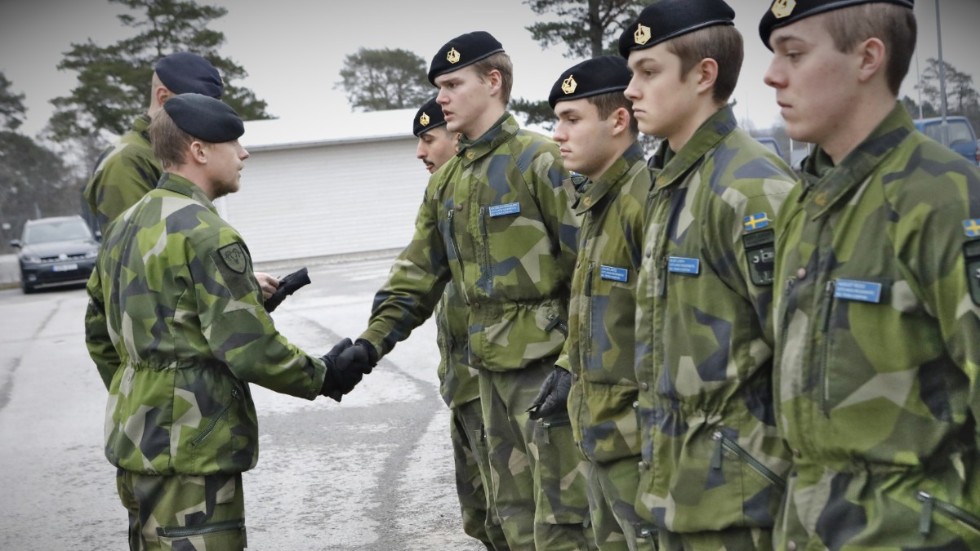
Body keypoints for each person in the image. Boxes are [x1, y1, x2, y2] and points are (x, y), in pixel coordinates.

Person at [337, 31, 595, 550]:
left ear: (493, 82)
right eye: (438, 87)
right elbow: (417, 272)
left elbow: (591, 270)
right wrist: (369, 345)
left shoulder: (540, 162)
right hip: (488, 381)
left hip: (548, 378)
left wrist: (574, 362)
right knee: (511, 522)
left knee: (569, 524)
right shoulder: (447, 181)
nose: (441, 98)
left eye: (453, 84)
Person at [84, 93, 368, 551]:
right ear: (198, 151)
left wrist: (139, 397)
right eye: (232, 142)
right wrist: (324, 375)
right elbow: (249, 348)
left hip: (137, 443)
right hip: (193, 453)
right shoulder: (207, 232)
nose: (244, 153)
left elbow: (101, 334)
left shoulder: (125, 226)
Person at [759, 0, 980, 549]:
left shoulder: (943, 196)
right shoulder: (806, 202)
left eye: (794, 53)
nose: (772, 74)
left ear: (867, 58)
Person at [619, 1, 799, 549]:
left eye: (648, 72)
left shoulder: (748, 189)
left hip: (743, 503)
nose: (630, 90)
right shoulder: (672, 182)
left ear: (703, 75)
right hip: (683, 490)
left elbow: (799, 358)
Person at [529, 56, 657, 551]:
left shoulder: (644, 200)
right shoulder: (600, 201)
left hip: (637, 445)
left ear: (618, 120)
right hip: (601, 438)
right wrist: (567, 365)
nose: (557, 133)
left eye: (572, 118)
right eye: (557, 119)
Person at [81, 51, 279, 298]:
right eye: (197, 102)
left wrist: (235, 281)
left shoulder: (165, 154)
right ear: (163, 98)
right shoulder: (127, 161)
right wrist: (230, 287)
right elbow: (140, 269)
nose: (205, 114)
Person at [413, 96, 509, 549]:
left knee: (517, 514)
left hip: (499, 387)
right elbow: (416, 278)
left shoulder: (507, 183)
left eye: (428, 139)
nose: (420, 153)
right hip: (462, 388)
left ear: (455, 137)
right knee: (482, 516)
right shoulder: (443, 198)